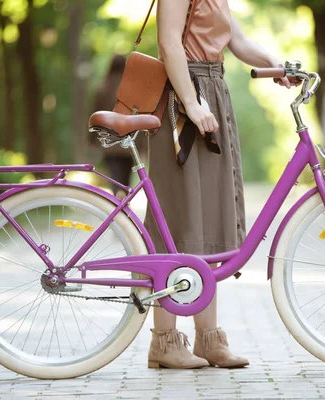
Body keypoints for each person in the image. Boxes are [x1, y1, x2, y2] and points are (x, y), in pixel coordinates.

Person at [144, 0, 298, 369]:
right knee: (180, 216)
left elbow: (238, 40)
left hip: (211, 90)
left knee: (209, 216)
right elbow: (169, 44)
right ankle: (164, 341)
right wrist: (192, 103)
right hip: (183, 101)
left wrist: (277, 66)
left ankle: (208, 339)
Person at [90, 54, 146, 198]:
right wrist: (143, 146)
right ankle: (125, 205)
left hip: (109, 144)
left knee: (115, 179)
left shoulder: (101, 89)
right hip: (129, 143)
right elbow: (138, 117)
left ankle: (116, 202)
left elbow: (94, 115)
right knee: (126, 181)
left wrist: (92, 140)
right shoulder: (132, 90)